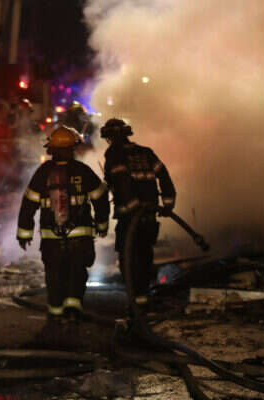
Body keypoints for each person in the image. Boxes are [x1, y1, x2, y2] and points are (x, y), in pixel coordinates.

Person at [17, 125, 109, 322]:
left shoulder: (43, 173)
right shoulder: (83, 171)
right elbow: (100, 198)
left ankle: (56, 315)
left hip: (51, 240)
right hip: (80, 238)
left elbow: (28, 205)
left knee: (54, 276)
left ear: (51, 149)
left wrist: (24, 234)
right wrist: (102, 225)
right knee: (77, 273)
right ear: (72, 148)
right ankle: (73, 310)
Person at [101, 118, 176, 314]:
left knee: (128, 259)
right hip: (149, 216)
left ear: (109, 138)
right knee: (144, 257)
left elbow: (121, 181)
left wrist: (132, 206)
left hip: (129, 218)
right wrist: (168, 203)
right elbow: (164, 175)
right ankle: (142, 300)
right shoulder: (146, 152)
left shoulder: (114, 154)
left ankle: (136, 302)